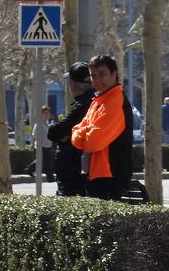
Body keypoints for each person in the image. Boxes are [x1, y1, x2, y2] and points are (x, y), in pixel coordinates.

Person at [71, 54, 134, 200]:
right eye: (93, 75)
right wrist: (86, 131)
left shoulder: (115, 101)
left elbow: (93, 142)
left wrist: (85, 131)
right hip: (97, 175)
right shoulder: (98, 101)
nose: (97, 80)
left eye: (102, 74)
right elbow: (75, 136)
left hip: (110, 177)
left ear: (115, 74)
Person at [47, 62, 94, 197]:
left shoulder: (82, 105)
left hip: (72, 168)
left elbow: (54, 132)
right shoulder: (91, 101)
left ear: (73, 84)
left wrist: (64, 133)